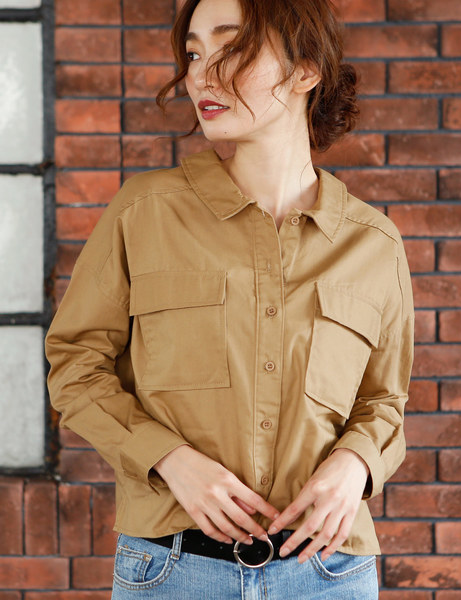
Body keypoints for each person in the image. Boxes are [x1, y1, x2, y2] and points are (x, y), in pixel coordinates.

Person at [45, 0, 415, 598]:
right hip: (170, 569)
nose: (200, 75)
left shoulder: (374, 243)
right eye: (194, 53)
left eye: (231, 47)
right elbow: (75, 366)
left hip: (328, 574)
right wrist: (168, 457)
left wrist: (357, 464)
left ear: (305, 69)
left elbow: (383, 401)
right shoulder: (143, 213)